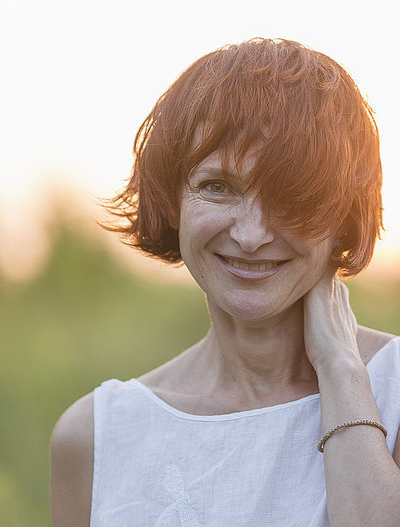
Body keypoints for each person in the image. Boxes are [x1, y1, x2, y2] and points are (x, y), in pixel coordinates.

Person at [50, 38, 400, 527]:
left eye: (293, 194)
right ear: (172, 201)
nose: (251, 235)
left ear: (344, 215)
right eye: (217, 187)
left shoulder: (394, 386)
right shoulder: (95, 435)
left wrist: (341, 372)